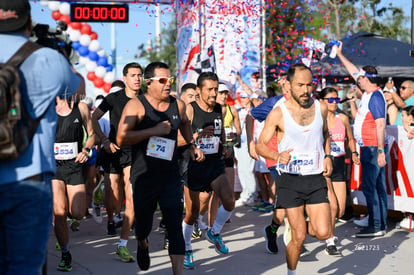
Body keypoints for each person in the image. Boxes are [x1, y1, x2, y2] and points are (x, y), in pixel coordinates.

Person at [0, 1, 81, 273]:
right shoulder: (47, 58)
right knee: (24, 267)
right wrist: (60, 53)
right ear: (28, 21)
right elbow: (76, 85)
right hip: (29, 181)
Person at [116, 62, 203, 274]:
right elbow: (121, 137)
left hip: (170, 177)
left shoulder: (178, 105)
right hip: (144, 176)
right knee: (143, 225)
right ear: (148, 83)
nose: (168, 84)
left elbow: (185, 123)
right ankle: (143, 242)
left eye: (170, 80)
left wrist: (192, 145)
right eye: (163, 80)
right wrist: (153, 130)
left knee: (174, 226)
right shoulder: (136, 106)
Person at [256, 63, 333, 275]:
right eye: (300, 85)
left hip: (315, 177)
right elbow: (260, 145)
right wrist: (276, 155)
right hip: (289, 179)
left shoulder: (321, 108)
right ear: (288, 86)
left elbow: (325, 133)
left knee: (324, 231)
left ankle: (303, 221)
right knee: (298, 237)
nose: (306, 90)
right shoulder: (279, 113)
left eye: (309, 85)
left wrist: (327, 156)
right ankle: (291, 272)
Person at [182, 72, 235, 269]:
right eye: (210, 90)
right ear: (199, 91)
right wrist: (196, 139)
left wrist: (225, 148)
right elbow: (179, 138)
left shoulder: (219, 109)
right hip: (193, 166)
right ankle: (187, 248)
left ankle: (214, 232)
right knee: (193, 212)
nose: (214, 94)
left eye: (216, 89)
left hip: (214, 164)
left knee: (229, 200)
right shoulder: (190, 110)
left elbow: (219, 136)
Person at [335, 41, 388, 237]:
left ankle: (375, 225)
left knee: (370, 187)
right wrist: (340, 54)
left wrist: (381, 151)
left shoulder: (374, 97)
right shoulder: (370, 92)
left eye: (360, 77)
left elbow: (381, 125)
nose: (357, 79)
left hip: (373, 148)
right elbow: (353, 71)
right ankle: (379, 224)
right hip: (372, 148)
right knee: (377, 187)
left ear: (367, 79)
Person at [92, 62, 143, 262]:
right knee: (113, 196)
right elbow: (94, 118)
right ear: (125, 78)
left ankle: (122, 244)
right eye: (133, 75)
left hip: (136, 153)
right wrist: (104, 140)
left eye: (140, 75)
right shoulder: (114, 98)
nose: (138, 78)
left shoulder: (146, 99)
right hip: (113, 150)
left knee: (131, 197)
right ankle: (105, 195)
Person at [316, 87, 360, 256]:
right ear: (322, 101)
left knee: (340, 210)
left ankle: (317, 226)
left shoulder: (342, 118)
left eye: (336, 99)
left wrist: (354, 152)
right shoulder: (318, 120)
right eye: (330, 100)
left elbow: (350, 138)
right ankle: (330, 241)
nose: (334, 103)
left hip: (340, 164)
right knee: (332, 206)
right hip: (324, 165)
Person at [53, 95, 95, 271]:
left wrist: (86, 149)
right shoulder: (47, 108)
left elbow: (92, 135)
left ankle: (71, 213)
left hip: (75, 165)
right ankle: (65, 253)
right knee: (59, 212)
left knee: (77, 213)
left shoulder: (82, 108)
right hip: (54, 166)